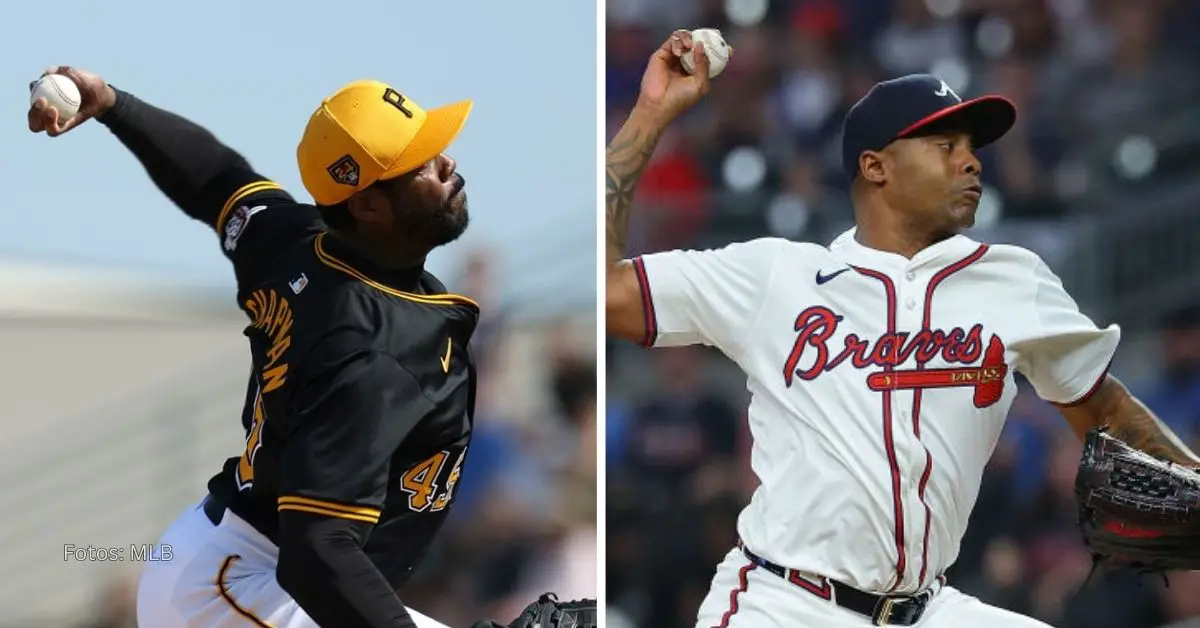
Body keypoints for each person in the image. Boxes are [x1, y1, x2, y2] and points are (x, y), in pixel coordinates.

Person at [604, 30, 1200, 627]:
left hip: (927, 608)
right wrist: (651, 114)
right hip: (786, 602)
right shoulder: (777, 277)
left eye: (972, 146)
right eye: (944, 144)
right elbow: (606, 291)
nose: (970, 159)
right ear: (875, 166)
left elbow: (1107, 411)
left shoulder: (1014, 280)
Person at [29, 65, 500, 628]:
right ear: (368, 206)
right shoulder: (370, 356)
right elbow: (317, 552)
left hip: (248, 564)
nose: (447, 164)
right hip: (235, 585)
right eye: (420, 163)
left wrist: (112, 103)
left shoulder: (296, 241)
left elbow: (217, 179)